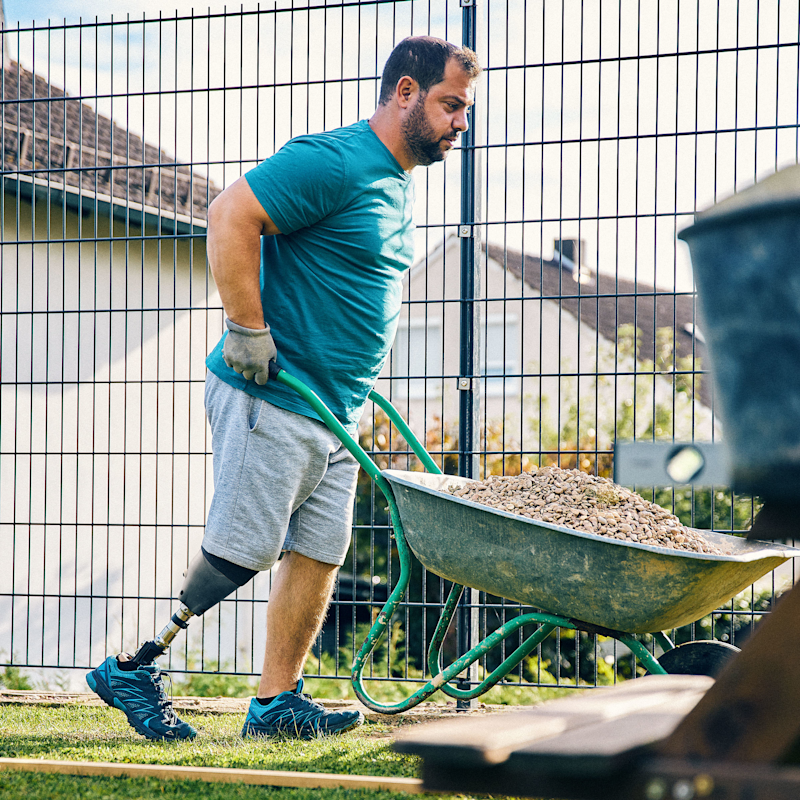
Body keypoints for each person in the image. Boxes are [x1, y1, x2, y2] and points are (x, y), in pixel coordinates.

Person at [85, 35, 481, 742]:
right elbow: (230, 215)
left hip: (335, 409)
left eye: (466, 110)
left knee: (320, 553)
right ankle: (132, 666)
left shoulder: (397, 183)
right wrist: (246, 328)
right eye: (452, 105)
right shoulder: (333, 160)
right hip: (272, 392)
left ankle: (276, 703)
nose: (461, 123)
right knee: (242, 550)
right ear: (405, 92)